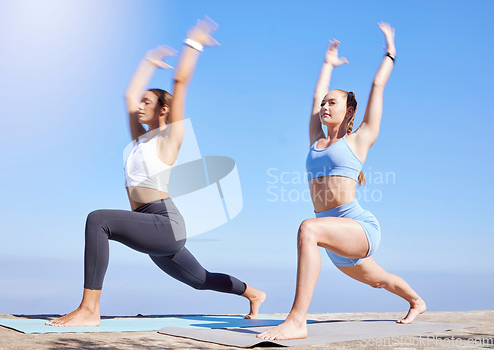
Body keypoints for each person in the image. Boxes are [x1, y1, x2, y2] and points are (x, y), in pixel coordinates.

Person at [45, 18, 265, 327]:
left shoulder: (169, 138)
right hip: (152, 225)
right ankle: (254, 293)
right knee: (199, 280)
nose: (139, 107)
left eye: (147, 102)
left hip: (163, 222)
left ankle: (89, 309)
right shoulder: (139, 141)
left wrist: (194, 43)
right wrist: (148, 61)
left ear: (163, 109)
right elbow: (128, 97)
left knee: (99, 220)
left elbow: (180, 84)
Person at [257, 23, 425, 341]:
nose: (324, 107)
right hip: (333, 236)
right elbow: (313, 97)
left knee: (308, 228)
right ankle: (417, 301)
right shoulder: (315, 140)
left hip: (357, 226)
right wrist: (327, 65)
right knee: (380, 280)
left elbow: (377, 86)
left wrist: (390, 49)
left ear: (348, 111)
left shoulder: (360, 139)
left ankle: (296, 321)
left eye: (331, 103)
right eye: (323, 104)